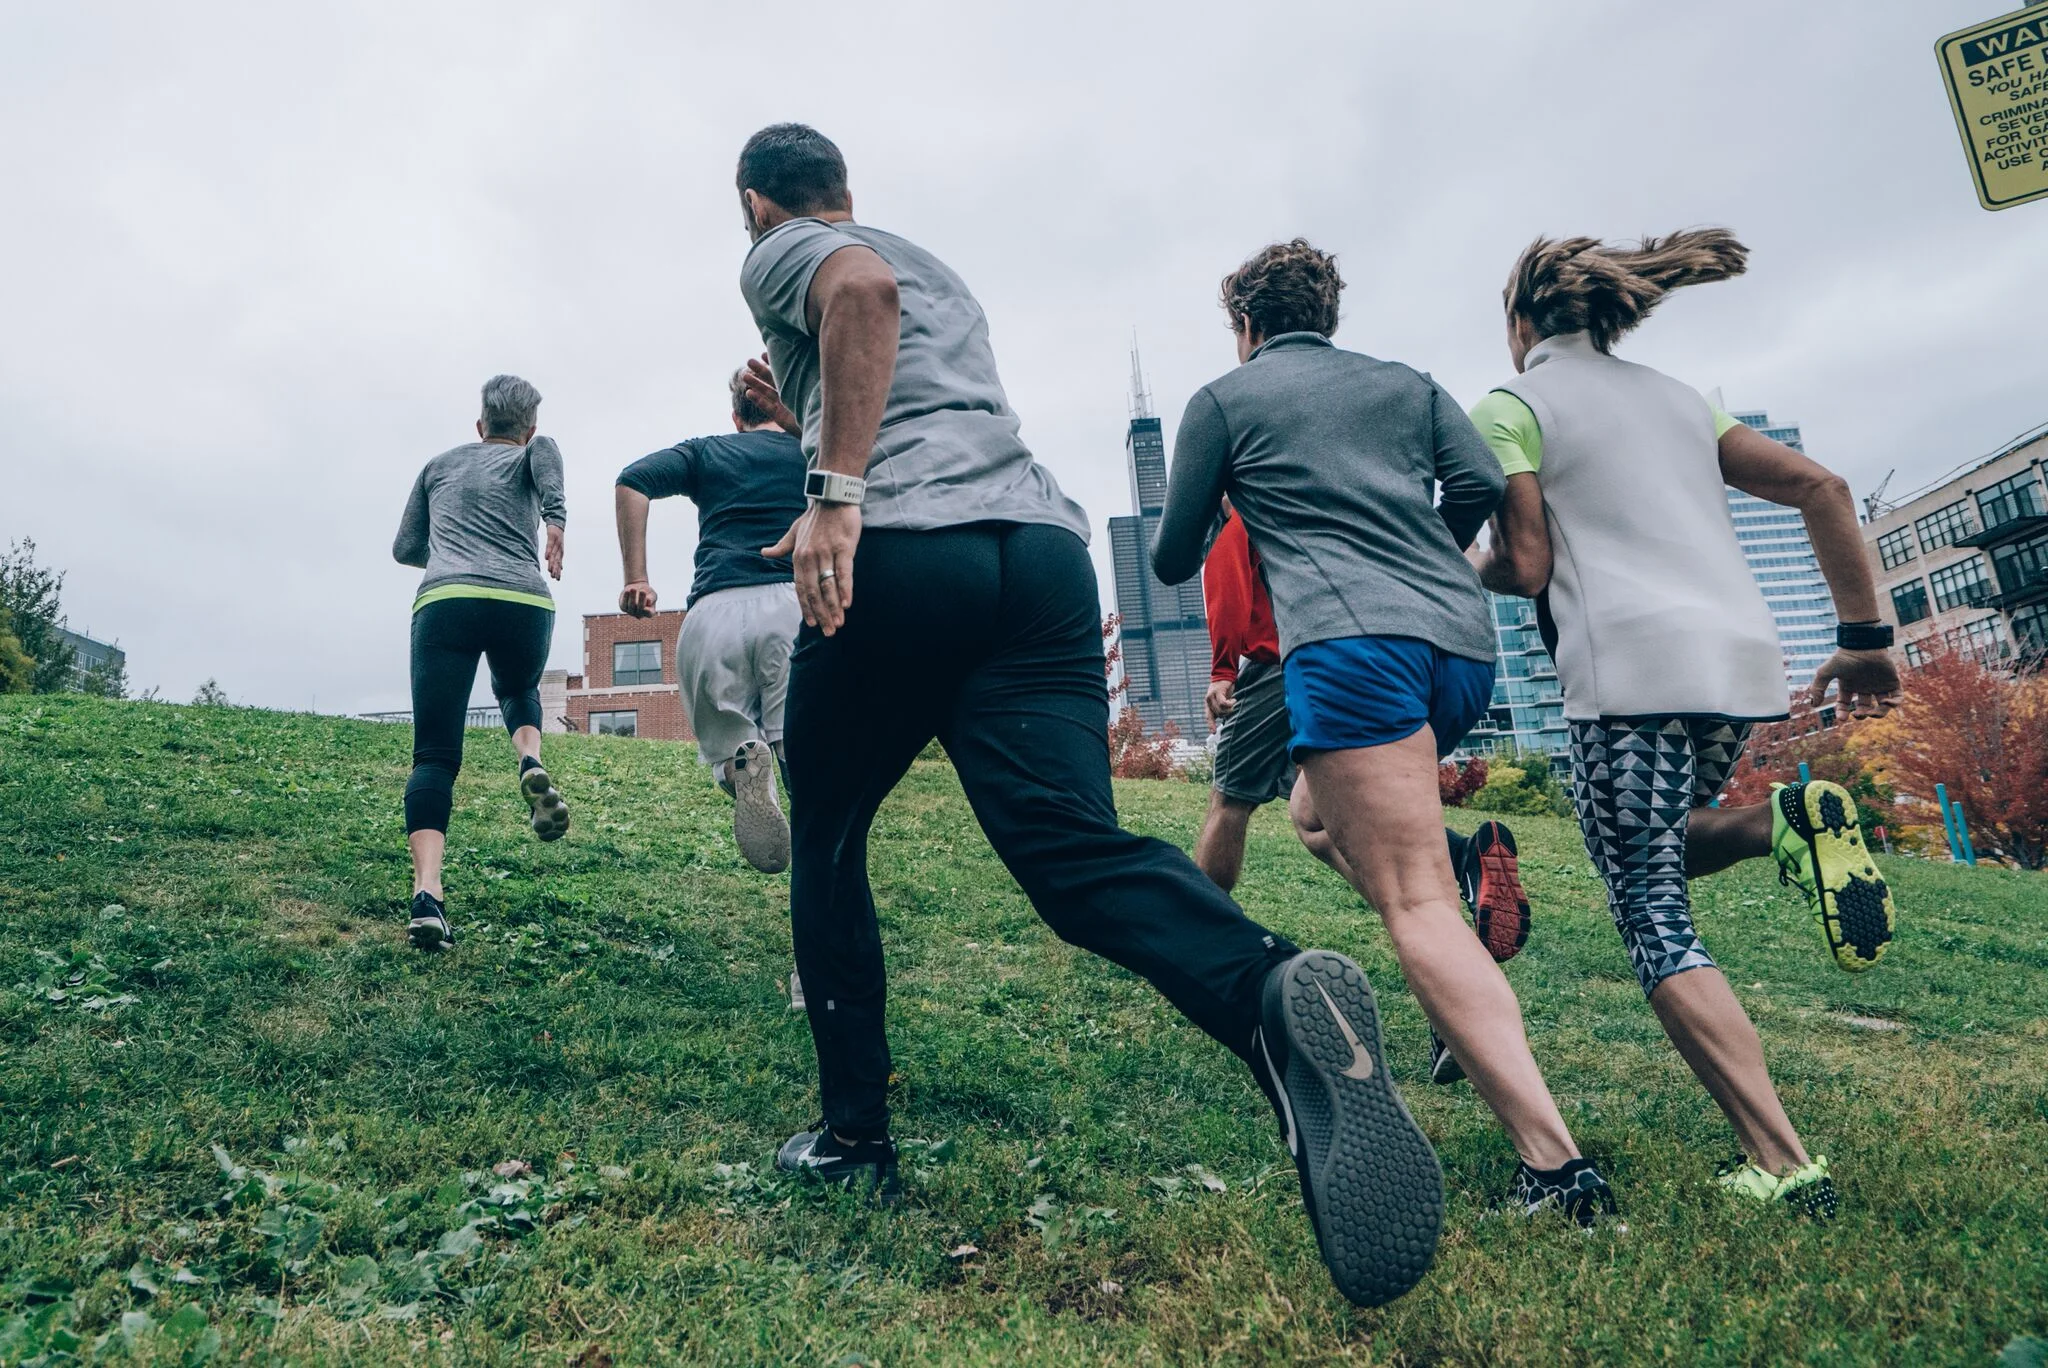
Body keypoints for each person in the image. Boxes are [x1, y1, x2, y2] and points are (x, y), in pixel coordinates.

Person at [734, 123, 1442, 1309]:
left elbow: (855, 294)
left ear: (762, 205)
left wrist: (836, 494)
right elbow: (895, 348)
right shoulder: (934, 263)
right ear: (848, 187)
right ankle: (1267, 993)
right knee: (1070, 852)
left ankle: (853, 1135)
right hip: (1037, 558)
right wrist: (807, 409)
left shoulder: (790, 247)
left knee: (829, 834)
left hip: (902, 551)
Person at [1154, 239, 1613, 1226]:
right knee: (1314, 817)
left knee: (1412, 902)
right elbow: (1480, 484)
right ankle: (1459, 911)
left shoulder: (1225, 400)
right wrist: (1417, 554)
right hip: (1458, 648)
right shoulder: (1408, 385)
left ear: (1245, 324)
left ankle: (1555, 1167)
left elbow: (1169, 556)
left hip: (1351, 650)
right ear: (1328, 315)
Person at [1469, 229, 1903, 1218]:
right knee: (1654, 847)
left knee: (1651, 912)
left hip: (1629, 669)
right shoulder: (1679, 399)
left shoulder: (1511, 406)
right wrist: (1863, 638)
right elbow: (1822, 487)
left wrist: (1465, 567)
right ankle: (1773, 824)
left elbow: (1525, 564)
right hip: (1736, 666)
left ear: (1522, 321)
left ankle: (1781, 1162)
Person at [1197, 498, 1532, 1086]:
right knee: (1336, 816)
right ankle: (1457, 978)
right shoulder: (1332, 501)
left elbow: (1227, 574)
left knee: (1231, 802)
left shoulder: (1244, 506)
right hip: (1377, 651)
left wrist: (1224, 668)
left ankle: (1194, 935)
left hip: (1287, 660)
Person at [392, 374, 570, 952]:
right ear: (529, 428)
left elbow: (404, 548)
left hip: (447, 599)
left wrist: (451, 549)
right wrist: (554, 521)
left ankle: (428, 894)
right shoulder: (533, 454)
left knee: (434, 756)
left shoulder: (439, 465)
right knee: (518, 689)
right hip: (523, 599)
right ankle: (529, 758)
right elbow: (546, 456)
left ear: (479, 425)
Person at [615, 364, 808, 878]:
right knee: (802, 756)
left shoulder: (707, 451)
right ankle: (816, 848)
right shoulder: (813, 450)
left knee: (732, 750)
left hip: (713, 614)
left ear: (736, 417)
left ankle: (742, 770)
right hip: (791, 606)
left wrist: (637, 577)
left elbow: (632, 480)